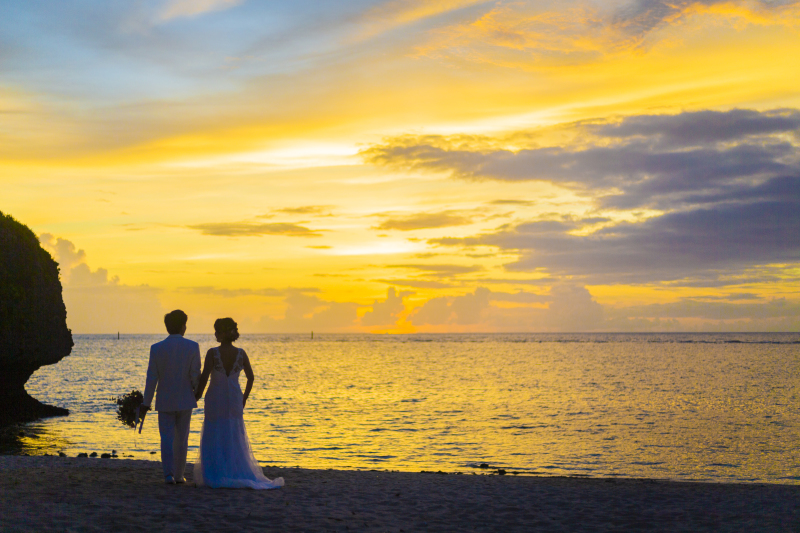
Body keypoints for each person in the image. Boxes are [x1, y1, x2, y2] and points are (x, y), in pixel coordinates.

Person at [193, 318, 284, 489]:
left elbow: (204, 377)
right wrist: (244, 398)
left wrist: (197, 395)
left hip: (216, 398)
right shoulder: (241, 353)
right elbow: (251, 378)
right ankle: (232, 469)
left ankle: (216, 471)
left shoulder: (212, 353)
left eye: (216, 331)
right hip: (235, 397)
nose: (215, 334)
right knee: (233, 433)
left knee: (214, 432)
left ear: (221, 334)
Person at [140, 310, 201, 484]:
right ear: (182, 326)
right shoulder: (192, 346)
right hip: (185, 399)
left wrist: (146, 402)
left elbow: (152, 378)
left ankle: (168, 474)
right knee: (182, 439)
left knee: (166, 438)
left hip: (165, 400)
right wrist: (197, 393)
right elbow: (195, 374)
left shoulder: (157, 348)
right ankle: (179, 475)